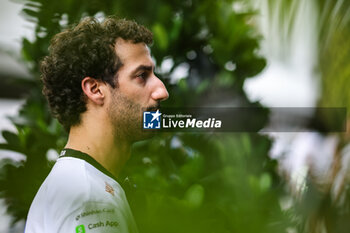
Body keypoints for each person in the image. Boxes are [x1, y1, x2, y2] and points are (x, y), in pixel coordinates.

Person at [24, 16, 169, 233]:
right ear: (95, 89)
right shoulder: (89, 198)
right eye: (141, 76)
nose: (162, 91)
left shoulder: (80, 184)